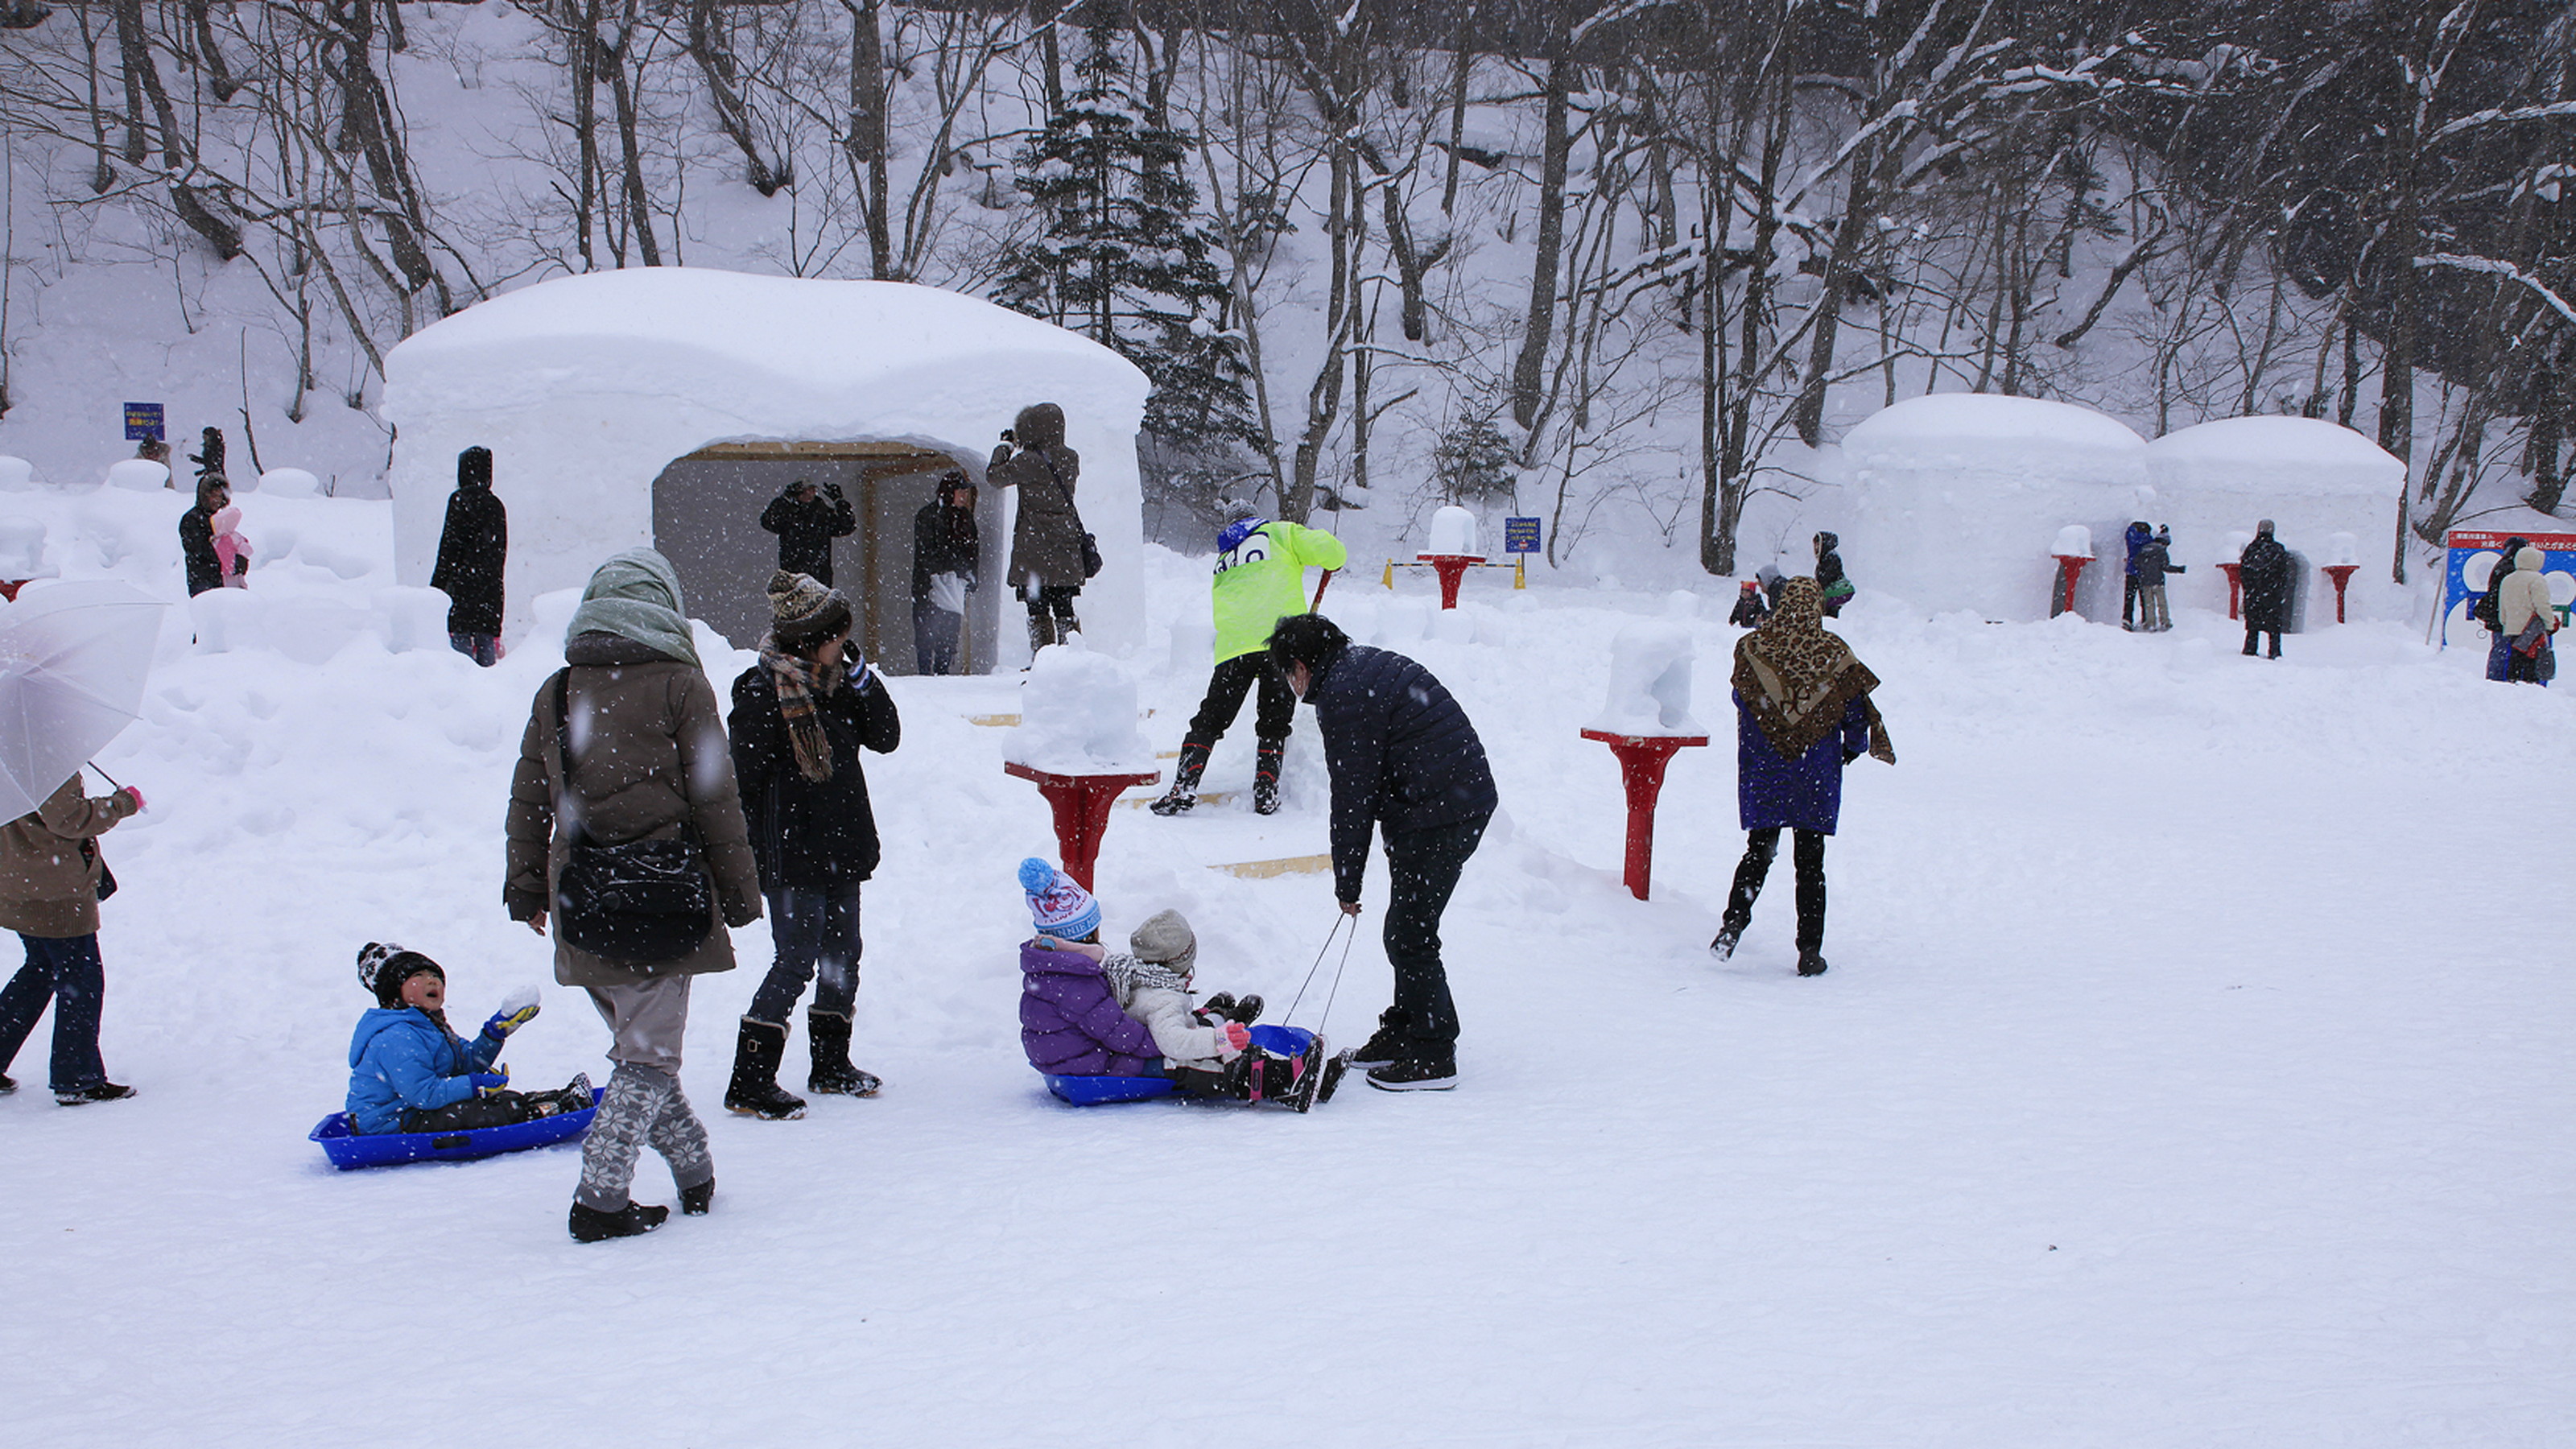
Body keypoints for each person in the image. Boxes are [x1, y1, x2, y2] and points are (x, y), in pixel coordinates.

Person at [506, 549, 762, 1244]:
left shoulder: (559, 690)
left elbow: (529, 797)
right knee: (647, 1058)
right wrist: (739, 890)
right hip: (662, 897)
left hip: (582, 900)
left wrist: (527, 886)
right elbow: (715, 794)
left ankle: (694, 1173)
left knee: (641, 1048)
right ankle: (601, 1199)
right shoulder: (681, 684)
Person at [1266, 613, 1496, 1092]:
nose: (1289, 684)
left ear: (1303, 666)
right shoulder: (1356, 670)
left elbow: (1353, 795)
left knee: (1410, 933)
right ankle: (1405, 1030)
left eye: (1287, 672)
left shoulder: (1344, 694)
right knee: (1406, 926)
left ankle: (1434, 1053)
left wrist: (1347, 883)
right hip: (1438, 802)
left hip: (1445, 810)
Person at [724, 571, 902, 1117]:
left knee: (842, 955)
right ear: (809, 639)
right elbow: (745, 783)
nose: (842, 646)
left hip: (840, 844)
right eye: (835, 637)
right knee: (797, 958)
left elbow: (887, 737)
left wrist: (863, 678)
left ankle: (830, 1064)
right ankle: (750, 1078)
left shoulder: (840, 688)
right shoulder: (760, 694)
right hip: (792, 850)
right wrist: (762, 849)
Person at [1013, 861, 1329, 1107]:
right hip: (1089, 1070)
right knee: (1191, 1063)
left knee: (1178, 1036)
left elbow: (1107, 1023)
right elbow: (1125, 1037)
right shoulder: (1075, 983)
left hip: (1072, 1059)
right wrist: (1192, 1038)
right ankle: (1283, 1083)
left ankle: (1215, 1018)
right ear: (1082, 936)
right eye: (1095, 930)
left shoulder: (1053, 969)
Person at [1711, 577, 1896, 976]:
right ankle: (1809, 951)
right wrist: (1851, 747)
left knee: (1759, 851)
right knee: (1810, 863)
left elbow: (1741, 697)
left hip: (1766, 768)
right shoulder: (1832, 652)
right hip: (1814, 771)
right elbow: (1855, 710)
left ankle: (1732, 925)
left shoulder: (1752, 648)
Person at [1152, 500, 1347, 817]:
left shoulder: (1225, 556)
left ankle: (1183, 786)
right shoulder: (1280, 533)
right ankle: (1266, 792)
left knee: (1210, 719)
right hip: (1279, 645)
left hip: (1234, 648)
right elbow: (1334, 553)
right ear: (1256, 518)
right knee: (1274, 722)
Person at [0, 770, 142, 1104]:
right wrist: (122, 803)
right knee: (81, 977)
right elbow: (69, 819)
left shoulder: (7, 754)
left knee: (41, 969)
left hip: (16, 880)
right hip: (55, 890)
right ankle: (77, 1076)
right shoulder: (43, 758)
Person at [344, 943, 588, 1134]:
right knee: (477, 1114)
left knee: (502, 1098)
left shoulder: (431, 1026)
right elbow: (423, 1093)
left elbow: (466, 1063)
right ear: (394, 994)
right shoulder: (396, 1036)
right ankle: (547, 1112)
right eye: (419, 975)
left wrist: (495, 1032)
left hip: (416, 1110)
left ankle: (559, 1100)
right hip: (391, 1121)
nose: (432, 980)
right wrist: (475, 1085)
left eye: (435, 975)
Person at [988, 402, 1089, 652]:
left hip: (1035, 549)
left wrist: (1005, 447)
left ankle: (1044, 663)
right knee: (1065, 609)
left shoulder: (1028, 461)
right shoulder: (1070, 458)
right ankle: (1073, 658)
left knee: (1038, 610)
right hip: (1066, 545)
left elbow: (994, 477)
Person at [431, 445, 508, 667]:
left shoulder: (459, 501)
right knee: (486, 667)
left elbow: (448, 551)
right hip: (489, 597)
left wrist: (436, 591)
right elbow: (499, 558)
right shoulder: (496, 505)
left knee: (458, 664)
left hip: (460, 594)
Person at [910, 470, 979, 675]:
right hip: (929, 584)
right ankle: (925, 673)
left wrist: (969, 577)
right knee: (926, 632)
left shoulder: (965, 518)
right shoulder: (928, 515)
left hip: (954, 586)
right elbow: (926, 553)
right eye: (960, 492)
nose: (964, 496)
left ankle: (943, 671)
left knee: (949, 632)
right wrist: (946, 571)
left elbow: (973, 552)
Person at [759, 478, 856, 586]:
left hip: (819, 575)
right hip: (795, 575)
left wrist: (839, 501)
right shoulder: (788, 513)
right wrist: (783, 501)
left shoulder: (821, 513)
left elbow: (846, 526)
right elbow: (768, 522)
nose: (809, 494)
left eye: (812, 490)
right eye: (805, 491)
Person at [2495, 543, 2559, 684]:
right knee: (2531, 660)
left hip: (2513, 627)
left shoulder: (2508, 579)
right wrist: (2550, 623)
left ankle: (2512, 682)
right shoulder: (2536, 579)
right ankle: (2530, 688)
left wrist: (2505, 622)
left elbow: (2503, 604)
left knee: (2515, 658)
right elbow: (2542, 605)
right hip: (2532, 628)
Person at [2477, 536, 2532, 682]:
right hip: (2510, 615)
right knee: (2513, 649)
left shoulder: (2501, 565)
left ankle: (2495, 678)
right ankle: (2507, 679)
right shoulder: (2514, 568)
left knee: (2499, 648)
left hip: (2496, 613)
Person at [2239, 521, 2293, 658]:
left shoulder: (2251, 549)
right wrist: (2278, 590)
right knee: (2274, 627)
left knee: (2253, 626)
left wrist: (2250, 589)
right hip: (2272, 595)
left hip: (2254, 594)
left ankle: (2250, 649)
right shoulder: (2278, 549)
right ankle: (2274, 652)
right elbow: (2284, 574)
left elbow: (2244, 572)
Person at [178, 475, 239, 597]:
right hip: (202, 581)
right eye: (212, 495)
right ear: (204, 495)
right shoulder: (192, 519)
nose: (216, 500)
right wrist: (227, 559)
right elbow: (199, 549)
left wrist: (238, 560)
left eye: (220, 495)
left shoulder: (221, 519)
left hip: (223, 581)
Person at [2134, 526, 2183, 633]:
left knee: (2149, 604)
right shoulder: (2161, 551)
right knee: (2162, 603)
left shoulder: (2144, 549)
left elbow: (2136, 562)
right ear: (2165, 542)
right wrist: (2178, 569)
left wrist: (2144, 571)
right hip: (2158, 581)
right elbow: (2165, 567)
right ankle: (2165, 622)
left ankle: (2150, 623)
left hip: (2145, 581)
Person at [209, 499, 253, 589]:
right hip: (222, 571)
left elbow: (246, 548)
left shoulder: (233, 538)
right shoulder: (216, 539)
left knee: (236, 586)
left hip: (234, 569)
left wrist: (241, 557)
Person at [2120, 521, 2152, 630]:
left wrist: (2131, 528)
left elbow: (2129, 535)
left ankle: (2127, 619)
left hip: (2131, 571)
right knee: (2145, 598)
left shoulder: (2132, 539)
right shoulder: (2148, 540)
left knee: (2129, 598)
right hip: (2145, 572)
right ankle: (2146, 619)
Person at [1814, 531, 1853, 617]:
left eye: (1818, 545)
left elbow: (1825, 579)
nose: (1816, 548)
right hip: (1832, 594)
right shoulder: (1827, 558)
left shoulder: (1830, 558)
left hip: (1833, 595)